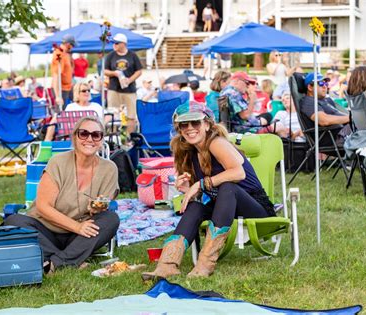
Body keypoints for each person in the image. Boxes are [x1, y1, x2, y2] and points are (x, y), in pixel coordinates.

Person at [141, 102, 275, 280]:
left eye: (195, 123)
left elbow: (238, 173)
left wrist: (200, 184)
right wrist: (188, 188)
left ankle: (205, 264)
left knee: (229, 187)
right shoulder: (190, 152)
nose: (189, 128)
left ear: (207, 124)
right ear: (179, 129)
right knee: (195, 207)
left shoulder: (216, 143)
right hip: (226, 208)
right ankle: (167, 265)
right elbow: (209, 192)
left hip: (255, 209)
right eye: (184, 125)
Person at [4, 116, 120, 271]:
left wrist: (97, 209)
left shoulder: (109, 168)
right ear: (74, 137)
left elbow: (103, 203)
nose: (90, 139)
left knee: (111, 218)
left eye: (96, 135)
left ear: (101, 140)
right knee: (14, 222)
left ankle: (55, 261)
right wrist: (77, 227)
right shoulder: (58, 162)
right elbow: (43, 207)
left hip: (78, 237)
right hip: (46, 231)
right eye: (83, 133)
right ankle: (68, 260)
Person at [220, 71, 286, 136]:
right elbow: (245, 115)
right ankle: (290, 146)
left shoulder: (226, 91)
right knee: (280, 127)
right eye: (247, 83)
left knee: (275, 123)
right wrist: (252, 99)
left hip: (240, 128)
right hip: (246, 131)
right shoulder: (234, 93)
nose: (247, 86)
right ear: (238, 81)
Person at [104, 33, 143, 134]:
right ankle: (112, 137)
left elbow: (139, 71)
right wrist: (115, 73)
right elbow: (105, 71)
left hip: (129, 90)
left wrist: (129, 80)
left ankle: (129, 138)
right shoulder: (110, 55)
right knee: (112, 114)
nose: (114, 45)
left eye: (116, 43)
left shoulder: (132, 55)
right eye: (113, 43)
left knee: (131, 115)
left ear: (123, 43)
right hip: (114, 89)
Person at [299, 72, 350, 146]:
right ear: (310, 87)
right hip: (336, 138)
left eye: (326, 84)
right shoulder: (308, 102)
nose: (325, 86)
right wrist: (351, 118)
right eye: (321, 84)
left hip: (347, 131)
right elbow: (324, 120)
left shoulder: (327, 100)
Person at [52, 34, 78, 108]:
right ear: (68, 44)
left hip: (68, 87)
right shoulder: (58, 55)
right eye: (72, 45)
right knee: (60, 113)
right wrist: (57, 96)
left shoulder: (65, 54)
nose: (72, 48)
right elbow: (56, 76)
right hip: (61, 89)